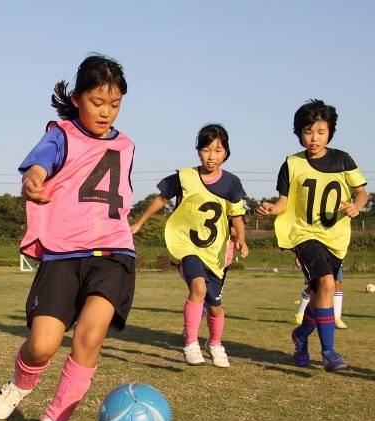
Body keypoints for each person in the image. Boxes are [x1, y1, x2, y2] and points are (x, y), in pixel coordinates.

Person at [0, 54, 136, 421]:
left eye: (115, 103)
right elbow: (38, 164)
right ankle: (22, 382)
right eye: (97, 102)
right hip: (63, 255)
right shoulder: (61, 134)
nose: (106, 112)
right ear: (76, 98)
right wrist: (34, 178)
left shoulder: (126, 144)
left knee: (89, 336)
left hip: (114, 252)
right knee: (42, 345)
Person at [257, 99, 367, 372]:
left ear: (330, 131)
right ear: (299, 133)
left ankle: (300, 335)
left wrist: (357, 205)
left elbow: (361, 192)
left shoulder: (343, 159)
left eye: (320, 131)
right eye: (308, 131)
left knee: (320, 292)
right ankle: (329, 352)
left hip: (335, 238)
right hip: (304, 235)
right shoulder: (292, 164)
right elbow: (283, 203)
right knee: (328, 284)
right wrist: (271, 209)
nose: (314, 138)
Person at [131, 124, 249, 368]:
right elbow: (161, 199)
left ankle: (214, 343)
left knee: (214, 305)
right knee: (198, 288)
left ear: (226, 152)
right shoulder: (184, 177)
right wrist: (140, 223)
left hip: (216, 253)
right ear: (198, 152)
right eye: (206, 150)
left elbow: (237, 215)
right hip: (187, 247)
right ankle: (191, 343)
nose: (212, 156)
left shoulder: (232, 184)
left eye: (218, 150)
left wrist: (242, 239)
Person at [294, 260, 346, 329]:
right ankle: (300, 312)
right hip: (318, 258)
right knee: (315, 286)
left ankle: (336, 317)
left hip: (334, 259)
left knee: (337, 283)